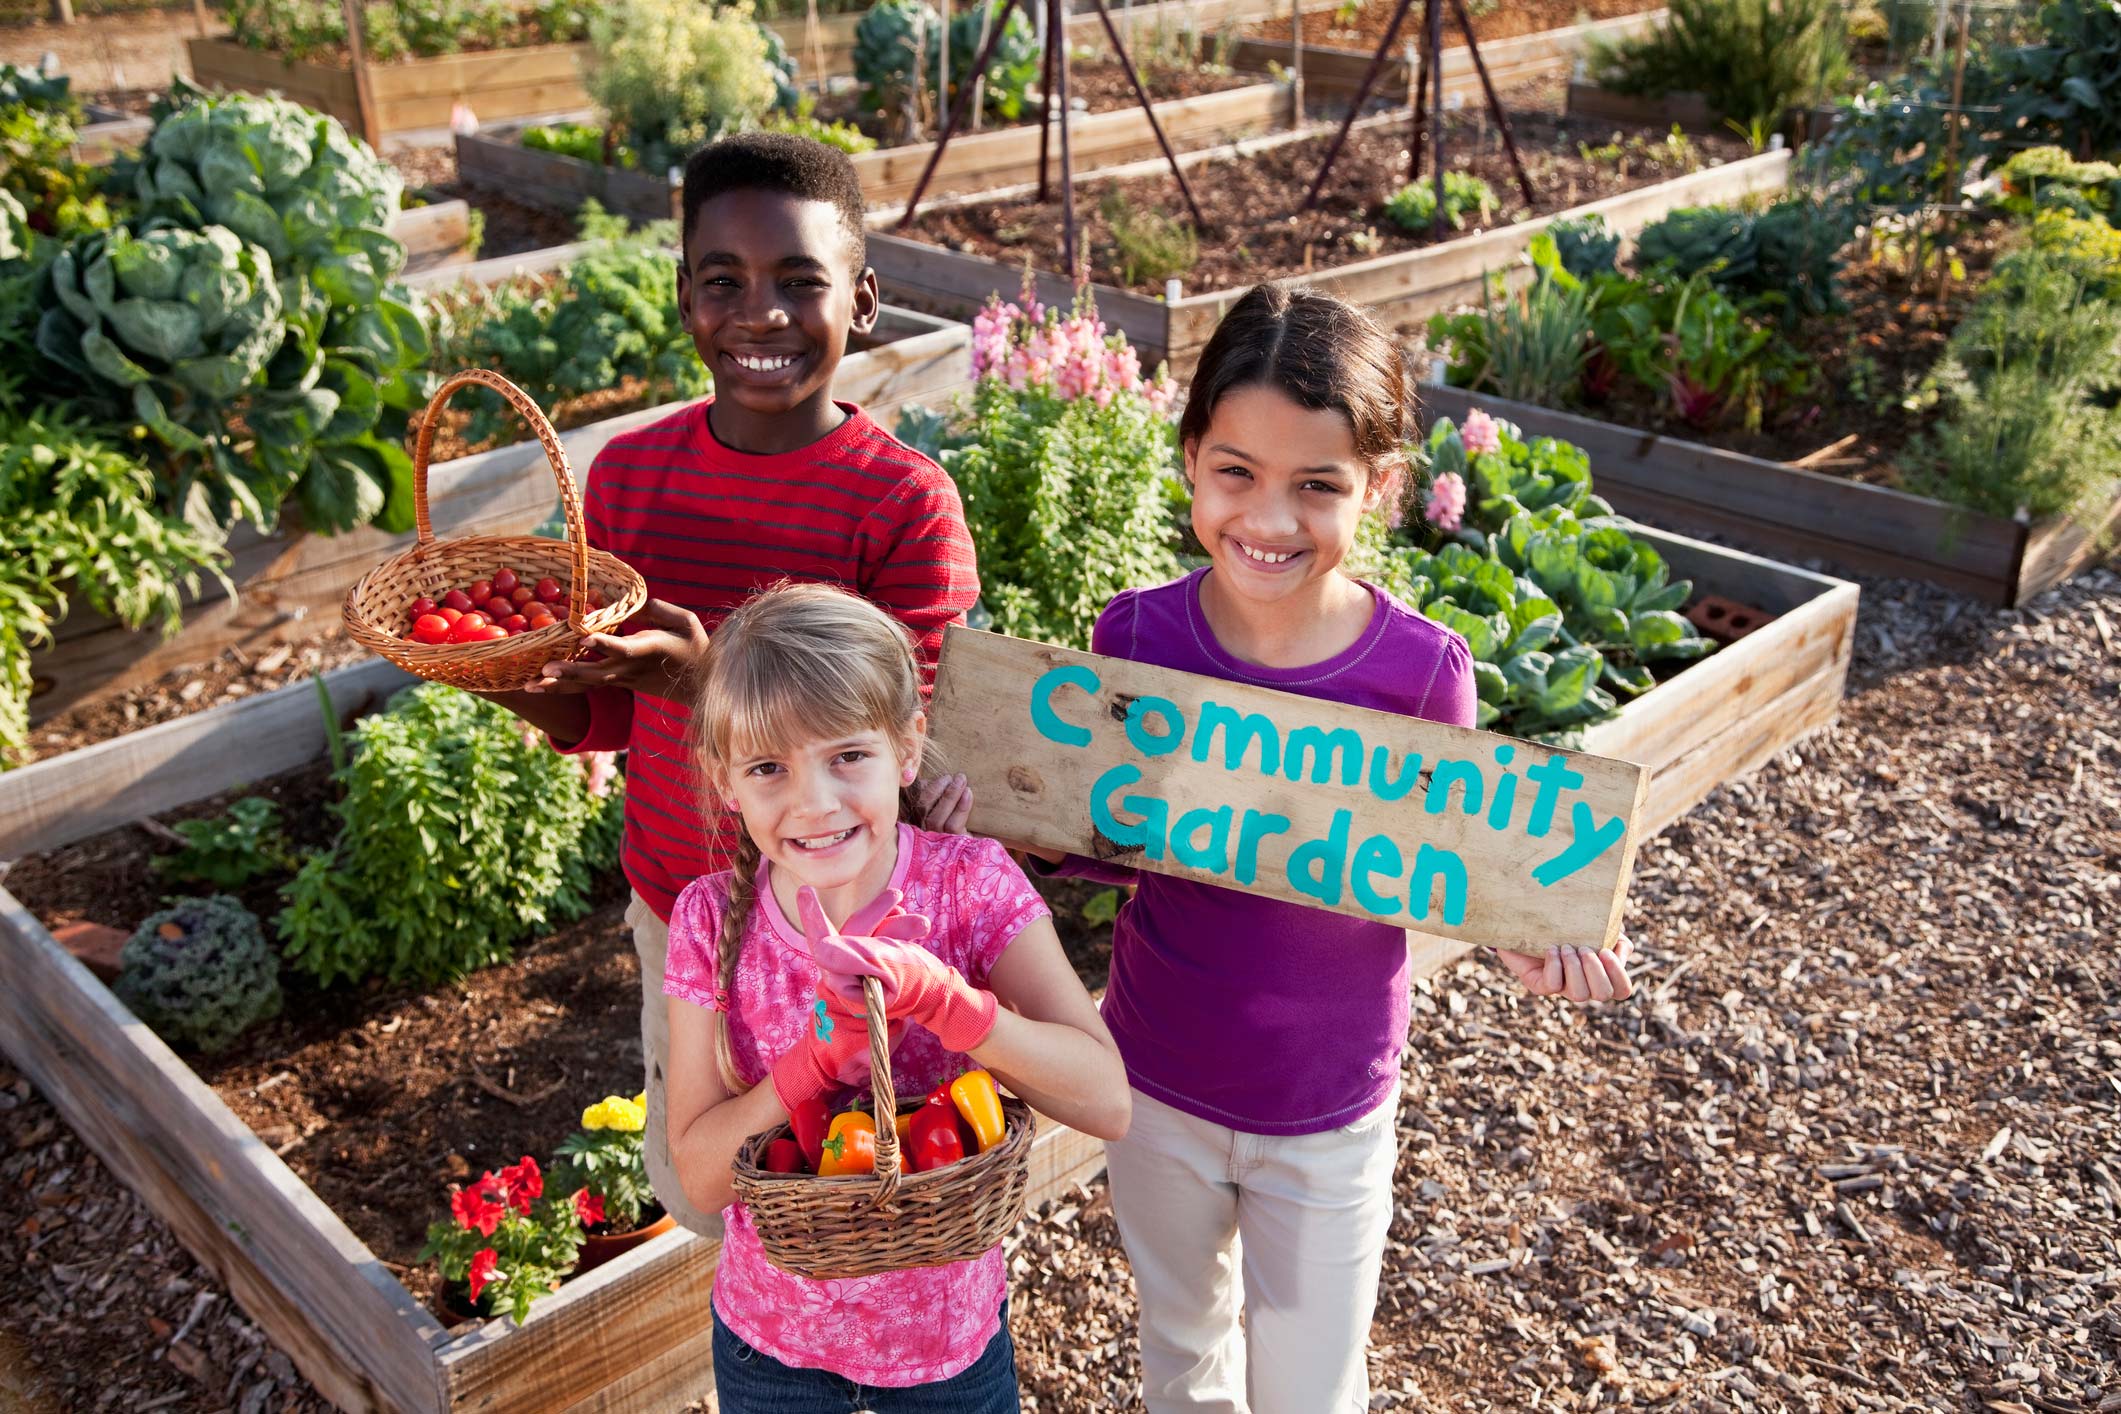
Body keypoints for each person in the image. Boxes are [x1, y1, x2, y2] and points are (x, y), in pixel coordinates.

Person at [1040, 283, 1635, 1414]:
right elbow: (1114, 837)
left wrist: (1512, 933)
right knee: (1182, 1352)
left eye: (1317, 485)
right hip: (1157, 1078)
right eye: (1237, 473)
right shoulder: (1138, 636)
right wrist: (1014, 820)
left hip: (1328, 1107)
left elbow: (1432, 861)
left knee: (1312, 1390)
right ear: (1189, 462)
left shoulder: (1420, 673)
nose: (1270, 519)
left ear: (1382, 488)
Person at [480, 133, 978, 1236]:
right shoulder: (630, 480)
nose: (762, 314)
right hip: (682, 905)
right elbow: (603, 711)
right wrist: (508, 676)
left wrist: (707, 675)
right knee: (710, 1185)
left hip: (850, 925)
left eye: (802, 283)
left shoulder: (901, 504)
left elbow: (894, 742)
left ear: (865, 299)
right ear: (684, 299)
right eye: (725, 282)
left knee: (861, 1180)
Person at [662, 582, 1130, 1411]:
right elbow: (699, 1179)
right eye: (769, 768)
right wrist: (812, 1066)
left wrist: (953, 1006)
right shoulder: (706, 920)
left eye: (847, 756)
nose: (814, 802)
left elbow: (1105, 1102)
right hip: (771, 1346)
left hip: (947, 1345)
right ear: (724, 780)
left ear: (908, 747)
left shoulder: (969, 885)